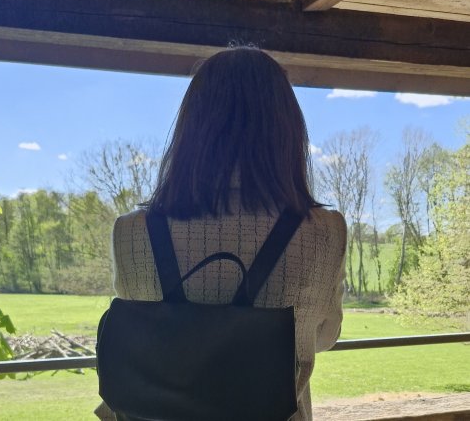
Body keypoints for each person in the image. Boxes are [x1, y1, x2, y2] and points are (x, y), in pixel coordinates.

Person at [96, 47, 346, 421]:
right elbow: (324, 337)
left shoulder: (132, 231)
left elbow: (138, 333)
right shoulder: (324, 232)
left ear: (190, 128)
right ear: (287, 129)